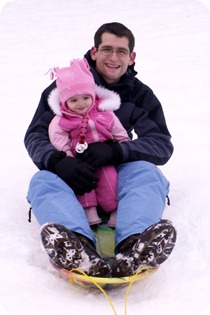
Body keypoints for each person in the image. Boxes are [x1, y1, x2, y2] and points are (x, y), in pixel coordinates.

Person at [25, 22, 177, 278]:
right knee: (42, 181)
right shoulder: (65, 89)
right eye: (107, 49)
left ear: (132, 57)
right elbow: (36, 136)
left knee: (147, 172)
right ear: (94, 52)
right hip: (76, 176)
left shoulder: (140, 95)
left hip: (118, 179)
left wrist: (117, 152)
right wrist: (59, 161)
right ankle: (78, 249)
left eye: (121, 51)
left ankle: (134, 246)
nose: (114, 57)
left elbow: (160, 143)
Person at [47, 58, 130, 226]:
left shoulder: (104, 112)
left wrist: (117, 148)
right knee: (82, 182)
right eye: (74, 100)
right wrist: (67, 157)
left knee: (110, 180)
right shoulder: (62, 119)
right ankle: (88, 211)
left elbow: (119, 131)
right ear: (64, 102)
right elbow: (58, 137)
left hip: (105, 158)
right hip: (80, 160)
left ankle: (114, 210)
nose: (81, 104)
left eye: (86, 97)